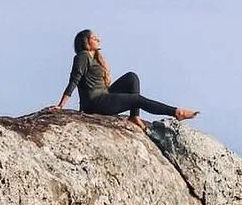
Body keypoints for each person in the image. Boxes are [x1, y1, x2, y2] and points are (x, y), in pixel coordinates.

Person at [51, 30, 199, 131]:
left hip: (104, 95)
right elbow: (74, 80)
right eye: (94, 38)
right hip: (95, 103)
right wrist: (61, 105)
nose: (98, 39)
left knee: (131, 77)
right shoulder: (82, 57)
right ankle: (176, 112)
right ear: (86, 42)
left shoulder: (95, 58)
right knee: (136, 99)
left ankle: (134, 116)